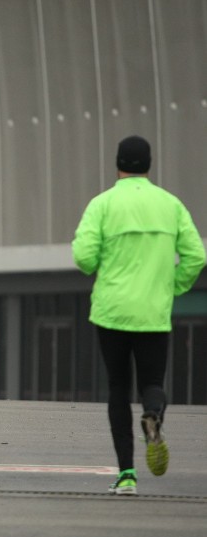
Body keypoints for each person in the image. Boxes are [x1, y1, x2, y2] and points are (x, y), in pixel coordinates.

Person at [73, 135, 204, 495]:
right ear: (149, 165)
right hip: (152, 311)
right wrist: (172, 286)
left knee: (117, 387)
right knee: (152, 382)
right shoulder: (170, 205)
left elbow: (84, 258)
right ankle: (153, 416)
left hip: (112, 310)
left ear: (117, 164)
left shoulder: (102, 204)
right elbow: (196, 257)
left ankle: (127, 474)